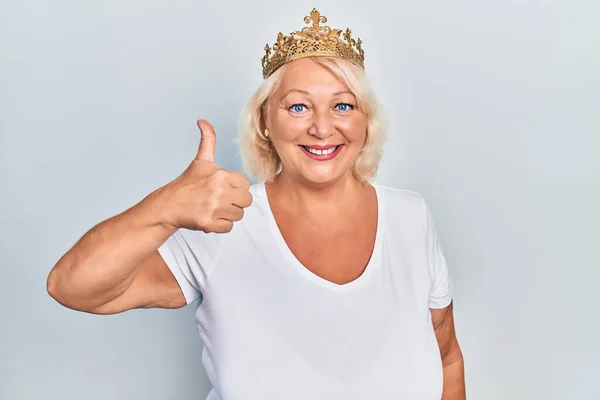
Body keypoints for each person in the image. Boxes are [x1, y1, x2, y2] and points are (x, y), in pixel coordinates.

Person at [47, 8, 465, 400]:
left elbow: (446, 357)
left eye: (342, 105)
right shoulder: (222, 223)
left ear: (365, 121)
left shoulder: (411, 217)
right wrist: (164, 207)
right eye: (298, 106)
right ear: (266, 120)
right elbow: (73, 287)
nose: (322, 127)